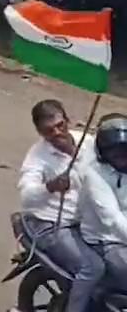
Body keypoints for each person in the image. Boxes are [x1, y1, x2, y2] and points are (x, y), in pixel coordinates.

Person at [17, 99, 102, 312]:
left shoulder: (89, 144)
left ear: (67, 120)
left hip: (89, 220)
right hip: (52, 224)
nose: (56, 133)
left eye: (60, 125)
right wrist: (50, 187)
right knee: (92, 267)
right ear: (40, 132)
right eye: (49, 130)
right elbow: (27, 196)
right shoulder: (37, 156)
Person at [78, 114, 127, 294]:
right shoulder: (94, 175)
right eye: (114, 151)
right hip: (104, 241)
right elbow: (112, 219)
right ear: (103, 152)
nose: (121, 156)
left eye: (125, 150)